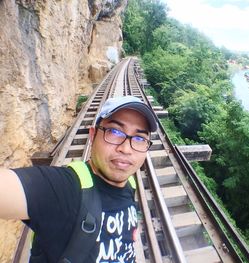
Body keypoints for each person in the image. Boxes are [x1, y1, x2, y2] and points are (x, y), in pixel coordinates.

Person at [0, 96, 158, 262]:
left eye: (140, 138)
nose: (126, 149)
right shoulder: (65, 188)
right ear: (92, 135)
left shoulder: (129, 184)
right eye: (114, 131)